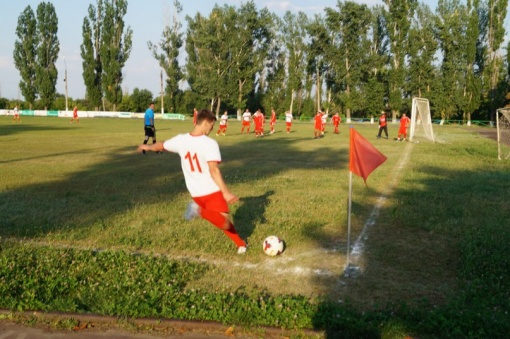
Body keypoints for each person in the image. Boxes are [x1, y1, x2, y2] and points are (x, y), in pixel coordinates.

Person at [137, 109, 248, 254]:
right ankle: (199, 211)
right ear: (206, 123)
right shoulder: (210, 143)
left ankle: (240, 244)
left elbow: (161, 146)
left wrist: (147, 147)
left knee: (222, 221)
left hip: (195, 192)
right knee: (225, 222)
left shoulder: (181, 139)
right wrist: (226, 192)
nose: (211, 129)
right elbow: (214, 170)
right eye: (211, 126)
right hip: (210, 190)